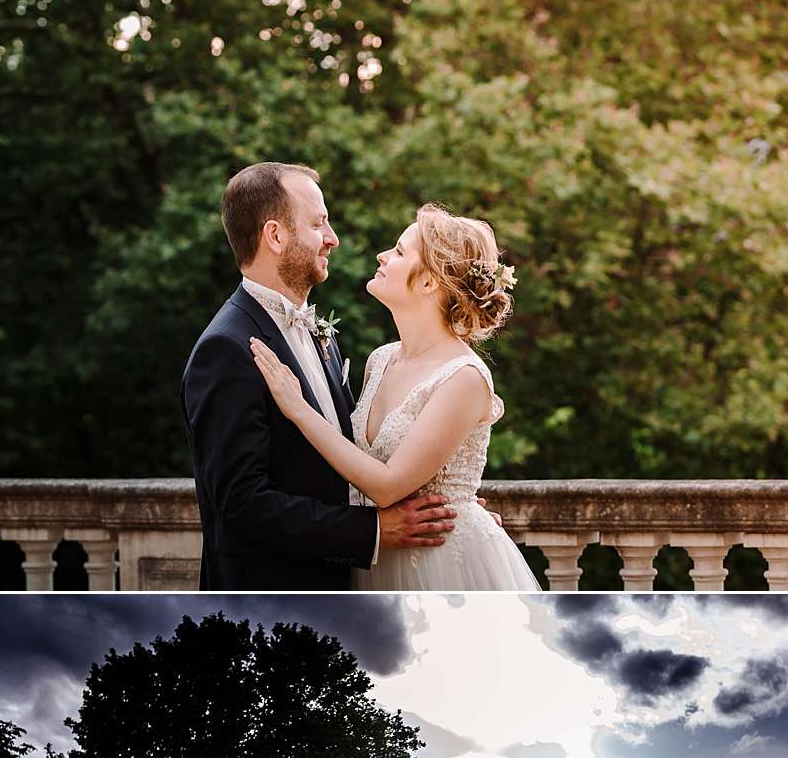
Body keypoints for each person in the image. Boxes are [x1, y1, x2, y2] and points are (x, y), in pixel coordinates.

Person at [181, 161, 454, 589]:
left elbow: (349, 455)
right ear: (276, 235)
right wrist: (374, 531)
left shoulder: (318, 332)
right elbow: (241, 505)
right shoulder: (226, 349)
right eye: (319, 224)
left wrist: (452, 507)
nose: (333, 239)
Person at [249, 202, 540, 590]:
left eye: (400, 252)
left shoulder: (465, 377)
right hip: (375, 559)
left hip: (442, 565)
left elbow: (387, 484)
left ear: (428, 282)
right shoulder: (381, 360)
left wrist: (299, 408)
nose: (382, 256)